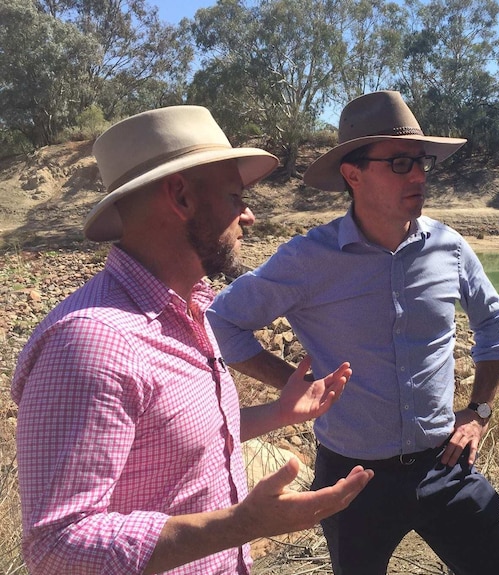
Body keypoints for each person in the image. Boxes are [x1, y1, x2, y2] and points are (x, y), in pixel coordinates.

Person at [11, 106, 373, 575]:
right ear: (181, 197)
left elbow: (177, 439)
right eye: (235, 196)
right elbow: (56, 548)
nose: (250, 216)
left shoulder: (188, 309)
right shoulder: (91, 342)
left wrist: (281, 412)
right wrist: (240, 525)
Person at [207, 90, 499, 574]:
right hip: (351, 476)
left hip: (444, 464)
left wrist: (479, 411)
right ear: (352, 175)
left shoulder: (449, 246)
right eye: (401, 163)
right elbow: (221, 320)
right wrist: (298, 388)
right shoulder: (308, 259)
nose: (419, 175)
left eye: (421, 162)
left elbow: (493, 321)